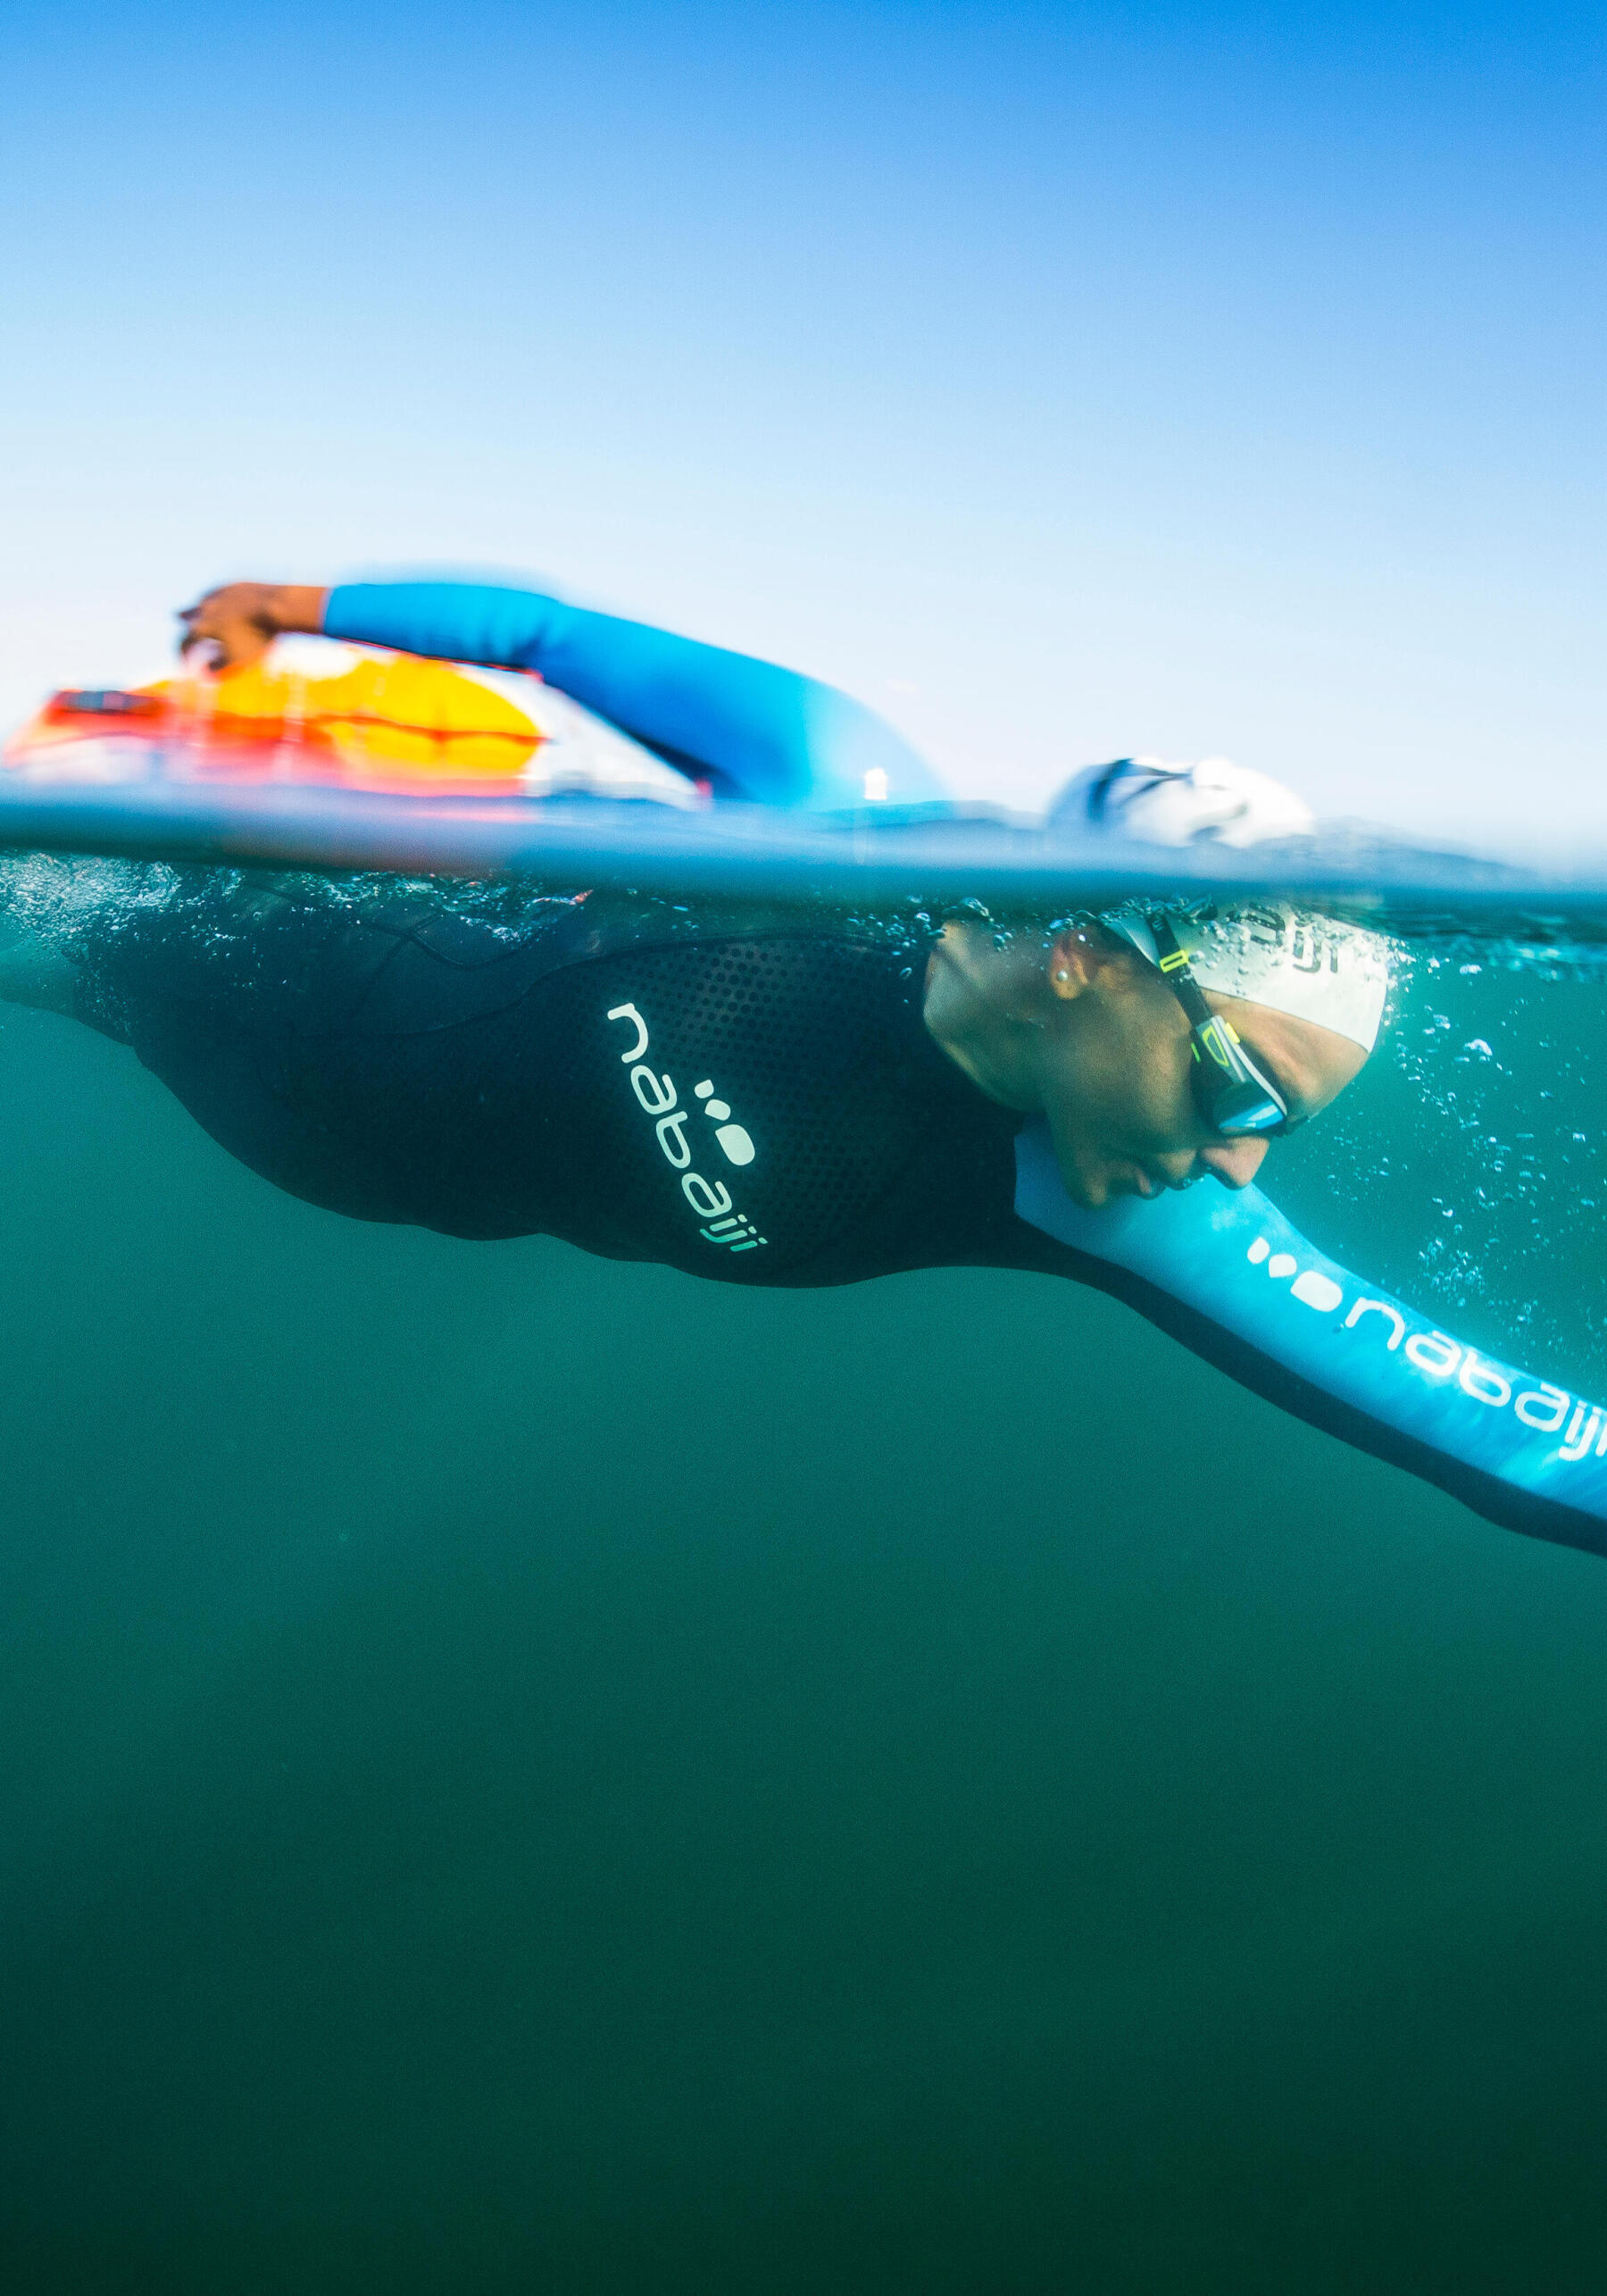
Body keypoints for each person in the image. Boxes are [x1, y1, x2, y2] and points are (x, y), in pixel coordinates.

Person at [7, 576, 1605, 1557]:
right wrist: (289, 601)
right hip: (211, 935)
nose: (1244, 1164)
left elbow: (1509, 1439)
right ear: (1088, 956)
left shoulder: (1108, 1200)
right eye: (1241, 1090)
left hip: (244, 1095)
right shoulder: (832, 788)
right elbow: (545, 634)